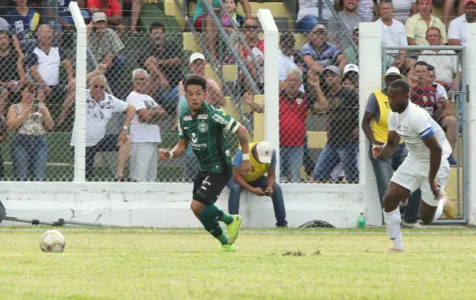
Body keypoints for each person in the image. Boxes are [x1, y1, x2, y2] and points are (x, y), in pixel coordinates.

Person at [158, 75, 251, 252]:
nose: (194, 98)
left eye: (198, 93)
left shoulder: (214, 115)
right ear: (185, 96)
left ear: (205, 95)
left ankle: (231, 220)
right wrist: (169, 154)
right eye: (190, 94)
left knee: (197, 205)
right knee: (198, 210)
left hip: (220, 168)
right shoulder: (184, 120)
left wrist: (245, 158)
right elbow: (181, 146)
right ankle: (225, 243)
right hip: (204, 169)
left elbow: (242, 129)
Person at [372, 80, 455, 253]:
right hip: (414, 160)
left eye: (394, 98)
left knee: (425, 218)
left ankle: (441, 201)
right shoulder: (394, 115)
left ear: (406, 96)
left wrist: (431, 179)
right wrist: (382, 150)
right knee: (389, 199)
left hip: (436, 163)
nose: (390, 101)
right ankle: (397, 247)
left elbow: (436, 149)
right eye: (389, 97)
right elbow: (393, 144)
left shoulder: (416, 116)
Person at [362, 67, 421, 228]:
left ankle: (410, 218)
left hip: (401, 145)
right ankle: (391, 221)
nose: (391, 81)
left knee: (416, 178)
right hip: (381, 146)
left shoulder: (404, 99)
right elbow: (365, 122)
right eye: (389, 79)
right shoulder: (376, 97)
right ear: (385, 81)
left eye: (395, 78)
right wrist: (374, 142)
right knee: (386, 186)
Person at [227, 141, 288, 228]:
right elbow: (236, 176)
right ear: (255, 152)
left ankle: (282, 224)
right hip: (235, 176)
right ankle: (233, 223)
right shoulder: (242, 152)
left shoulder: (272, 153)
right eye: (261, 158)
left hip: (255, 177)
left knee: (276, 188)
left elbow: (271, 175)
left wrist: (269, 187)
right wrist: (252, 189)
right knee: (235, 188)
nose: (263, 162)